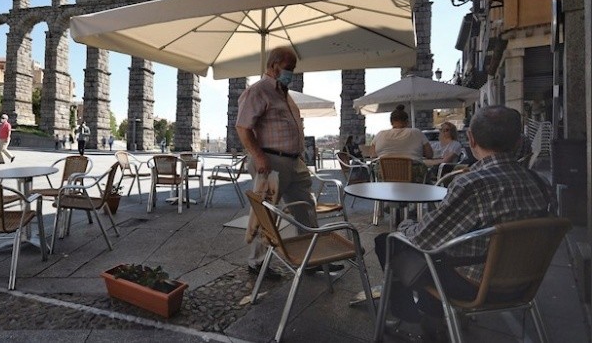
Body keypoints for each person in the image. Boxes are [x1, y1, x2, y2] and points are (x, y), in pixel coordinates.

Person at [374, 105, 556, 340]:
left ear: (471, 139)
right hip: (525, 283)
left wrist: (405, 226)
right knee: (441, 254)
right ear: (518, 142)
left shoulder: (472, 184)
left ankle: (408, 318)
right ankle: (432, 316)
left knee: (389, 243)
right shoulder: (541, 183)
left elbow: (423, 240)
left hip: (474, 286)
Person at [236, 47, 336, 279]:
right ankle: (257, 262)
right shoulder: (258, 91)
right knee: (267, 212)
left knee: (306, 208)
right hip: (271, 161)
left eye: (293, 69)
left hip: (293, 161)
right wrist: (259, 157)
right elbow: (242, 127)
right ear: (273, 66)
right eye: (288, 68)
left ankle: (311, 258)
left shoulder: (284, 94)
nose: (291, 73)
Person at [371, 104, 433, 182]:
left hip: (385, 178)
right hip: (413, 178)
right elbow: (429, 154)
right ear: (407, 121)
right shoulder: (417, 133)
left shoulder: (380, 134)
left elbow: (373, 156)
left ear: (391, 122)